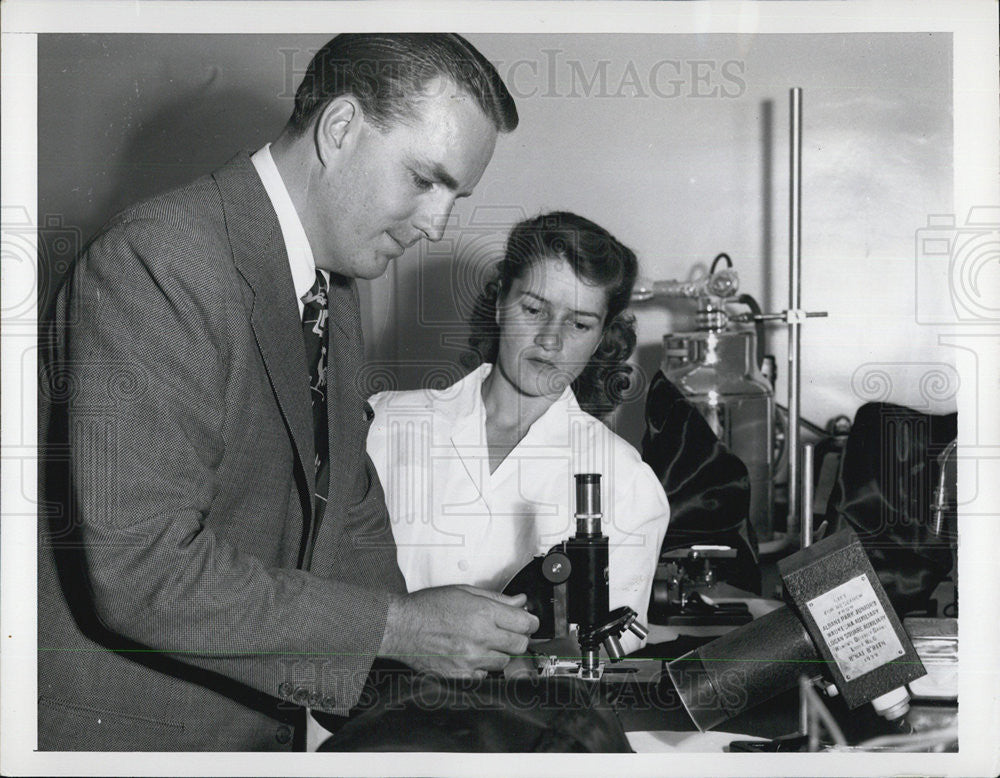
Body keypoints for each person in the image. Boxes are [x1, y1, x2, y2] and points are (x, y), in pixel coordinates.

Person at [38, 33, 537, 752]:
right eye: (425, 179)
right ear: (339, 130)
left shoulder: (329, 281)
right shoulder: (159, 262)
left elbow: (347, 508)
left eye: (457, 195)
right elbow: (144, 569)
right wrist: (399, 628)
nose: (437, 224)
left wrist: (435, 680)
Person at [366, 211, 671, 655]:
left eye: (580, 323)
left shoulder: (626, 484)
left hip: (520, 722)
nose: (551, 339)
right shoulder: (382, 427)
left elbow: (597, 659)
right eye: (533, 309)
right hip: (364, 720)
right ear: (498, 304)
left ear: (603, 335)